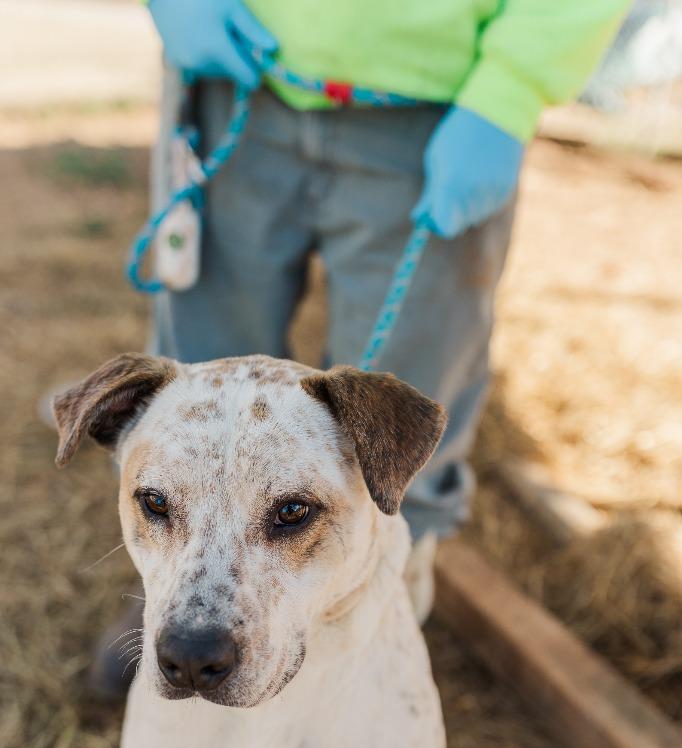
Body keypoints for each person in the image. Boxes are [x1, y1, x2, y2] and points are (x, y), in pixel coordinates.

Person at [91, 0, 628, 695]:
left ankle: (388, 640)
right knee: (192, 396)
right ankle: (180, 612)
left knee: (402, 426)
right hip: (234, 75)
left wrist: (511, 90)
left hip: (435, 102)